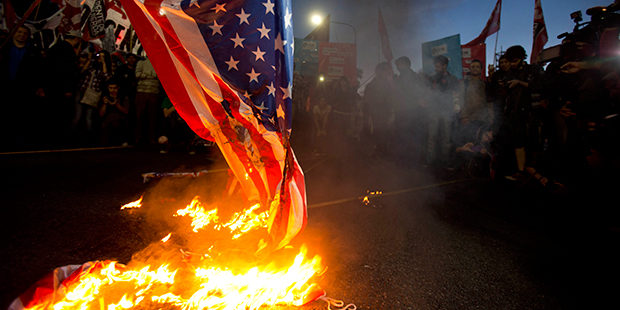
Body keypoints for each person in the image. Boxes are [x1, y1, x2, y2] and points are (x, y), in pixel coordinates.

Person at [495, 45, 543, 181]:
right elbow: (504, 94)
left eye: (514, 61)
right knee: (518, 142)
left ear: (522, 58)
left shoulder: (533, 70)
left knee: (533, 142)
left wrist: (520, 83)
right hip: (515, 114)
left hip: (532, 113)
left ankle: (534, 170)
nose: (512, 64)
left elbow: (539, 86)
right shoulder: (510, 73)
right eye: (510, 61)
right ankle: (521, 171)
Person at [0, 25, 45, 150]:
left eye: (24, 33)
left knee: (22, 118)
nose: (21, 35)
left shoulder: (33, 52)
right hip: (5, 88)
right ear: (14, 33)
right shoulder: (4, 49)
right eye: (19, 32)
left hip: (25, 90)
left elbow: (39, 71)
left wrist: (39, 87)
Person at [47, 30, 83, 145]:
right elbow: (68, 71)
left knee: (53, 114)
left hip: (51, 87)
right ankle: (61, 140)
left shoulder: (54, 48)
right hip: (63, 89)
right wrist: (68, 89)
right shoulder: (68, 51)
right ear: (76, 39)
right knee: (62, 115)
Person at [426, 55, 460, 168]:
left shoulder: (453, 79)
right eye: (435, 65)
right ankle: (430, 161)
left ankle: (446, 161)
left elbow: (456, 95)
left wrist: (456, 109)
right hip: (434, 111)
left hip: (447, 111)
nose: (436, 68)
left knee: (447, 137)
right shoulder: (431, 78)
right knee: (432, 136)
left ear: (445, 66)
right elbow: (427, 93)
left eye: (438, 66)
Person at [73, 50, 112, 144]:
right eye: (99, 55)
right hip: (82, 90)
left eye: (102, 56)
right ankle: (73, 136)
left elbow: (106, 76)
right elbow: (82, 71)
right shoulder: (92, 65)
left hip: (93, 94)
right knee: (77, 115)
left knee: (88, 117)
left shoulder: (104, 68)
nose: (100, 57)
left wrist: (103, 62)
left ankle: (88, 138)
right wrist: (90, 59)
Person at [394, 56, 427, 166]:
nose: (398, 67)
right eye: (397, 65)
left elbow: (415, 93)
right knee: (404, 137)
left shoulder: (412, 77)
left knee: (412, 137)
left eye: (400, 65)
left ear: (407, 65)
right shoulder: (401, 77)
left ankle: (411, 162)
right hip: (403, 112)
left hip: (411, 112)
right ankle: (407, 161)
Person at [362, 62, 397, 157]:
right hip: (377, 112)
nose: (387, 72)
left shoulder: (389, 83)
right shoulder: (372, 85)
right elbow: (367, 100)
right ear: (379, 71)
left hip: (386, 112)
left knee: (386, 132)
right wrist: (368, 114)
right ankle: (379, 149)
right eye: (386, 70)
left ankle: (383, 149)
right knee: (379, 132)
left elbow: (394, 97)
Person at [457, 59, 492, 146]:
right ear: (470, 69)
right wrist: (463, 116)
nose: (475, 68)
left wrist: (490, 117)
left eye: (477, 67)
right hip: (469, 118)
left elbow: (488, 102)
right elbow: (460, 100)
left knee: (481, 144)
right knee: (469, 143)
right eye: (473, 67)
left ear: (481, 69)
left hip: (482, 118)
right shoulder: (464, 83)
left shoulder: (485, 84)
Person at [134, 56, 161, 147]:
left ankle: (151, 138)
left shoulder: (158, 63)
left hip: (153, 92)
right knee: (140, 116)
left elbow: (159, 75)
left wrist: (145, 74)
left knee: (152, 117)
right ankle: (139, 138)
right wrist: (151, 74)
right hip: (142, 92)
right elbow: (137, 75)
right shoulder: (141, 63)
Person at [99, 79, 129, 145]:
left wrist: (116, 104)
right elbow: (101, 114)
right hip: (108, 122)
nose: (113, 90)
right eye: (111, 88)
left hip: (120, 121)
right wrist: (105, 104)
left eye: (115, 88)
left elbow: (126, 111)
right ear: (108, 88)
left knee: (116, 122)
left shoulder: (123, 97)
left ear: (118, 88)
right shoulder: (105, 97)